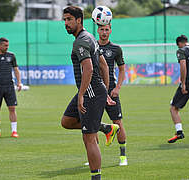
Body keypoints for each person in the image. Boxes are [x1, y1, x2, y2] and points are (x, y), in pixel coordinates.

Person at [61, 6, 119, 180]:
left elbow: (89, 68)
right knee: (67, 121)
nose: (66, 23)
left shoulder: (81, 41)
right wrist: (106, 91)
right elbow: (103, 65)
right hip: (91, 90)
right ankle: (106, 128)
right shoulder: (90, 37)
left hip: (90, 93)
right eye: (64, 20)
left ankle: (96, 178)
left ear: (79, 20)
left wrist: (82, 95)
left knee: (89, 139)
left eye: (69, 19)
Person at [97, 24, 127, 166]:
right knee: (92, 124)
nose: (104, 32)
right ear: (98, 31)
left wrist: (117, 88)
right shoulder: (91, 46)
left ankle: (123, 156)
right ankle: (94, 156)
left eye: (106, 29)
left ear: (110, 31)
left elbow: (122, 70)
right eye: (101, 29)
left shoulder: (116, 49)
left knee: (118, 122)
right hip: (95, 91)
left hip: (111, 92)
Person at [0, 37, 22, 138]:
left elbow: (16, 70)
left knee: (12, 108)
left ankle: (14, 131)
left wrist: (19, 82)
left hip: (9, 86)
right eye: (5, 45)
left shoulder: (11, 56)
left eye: (8, 45)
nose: (7, 47)